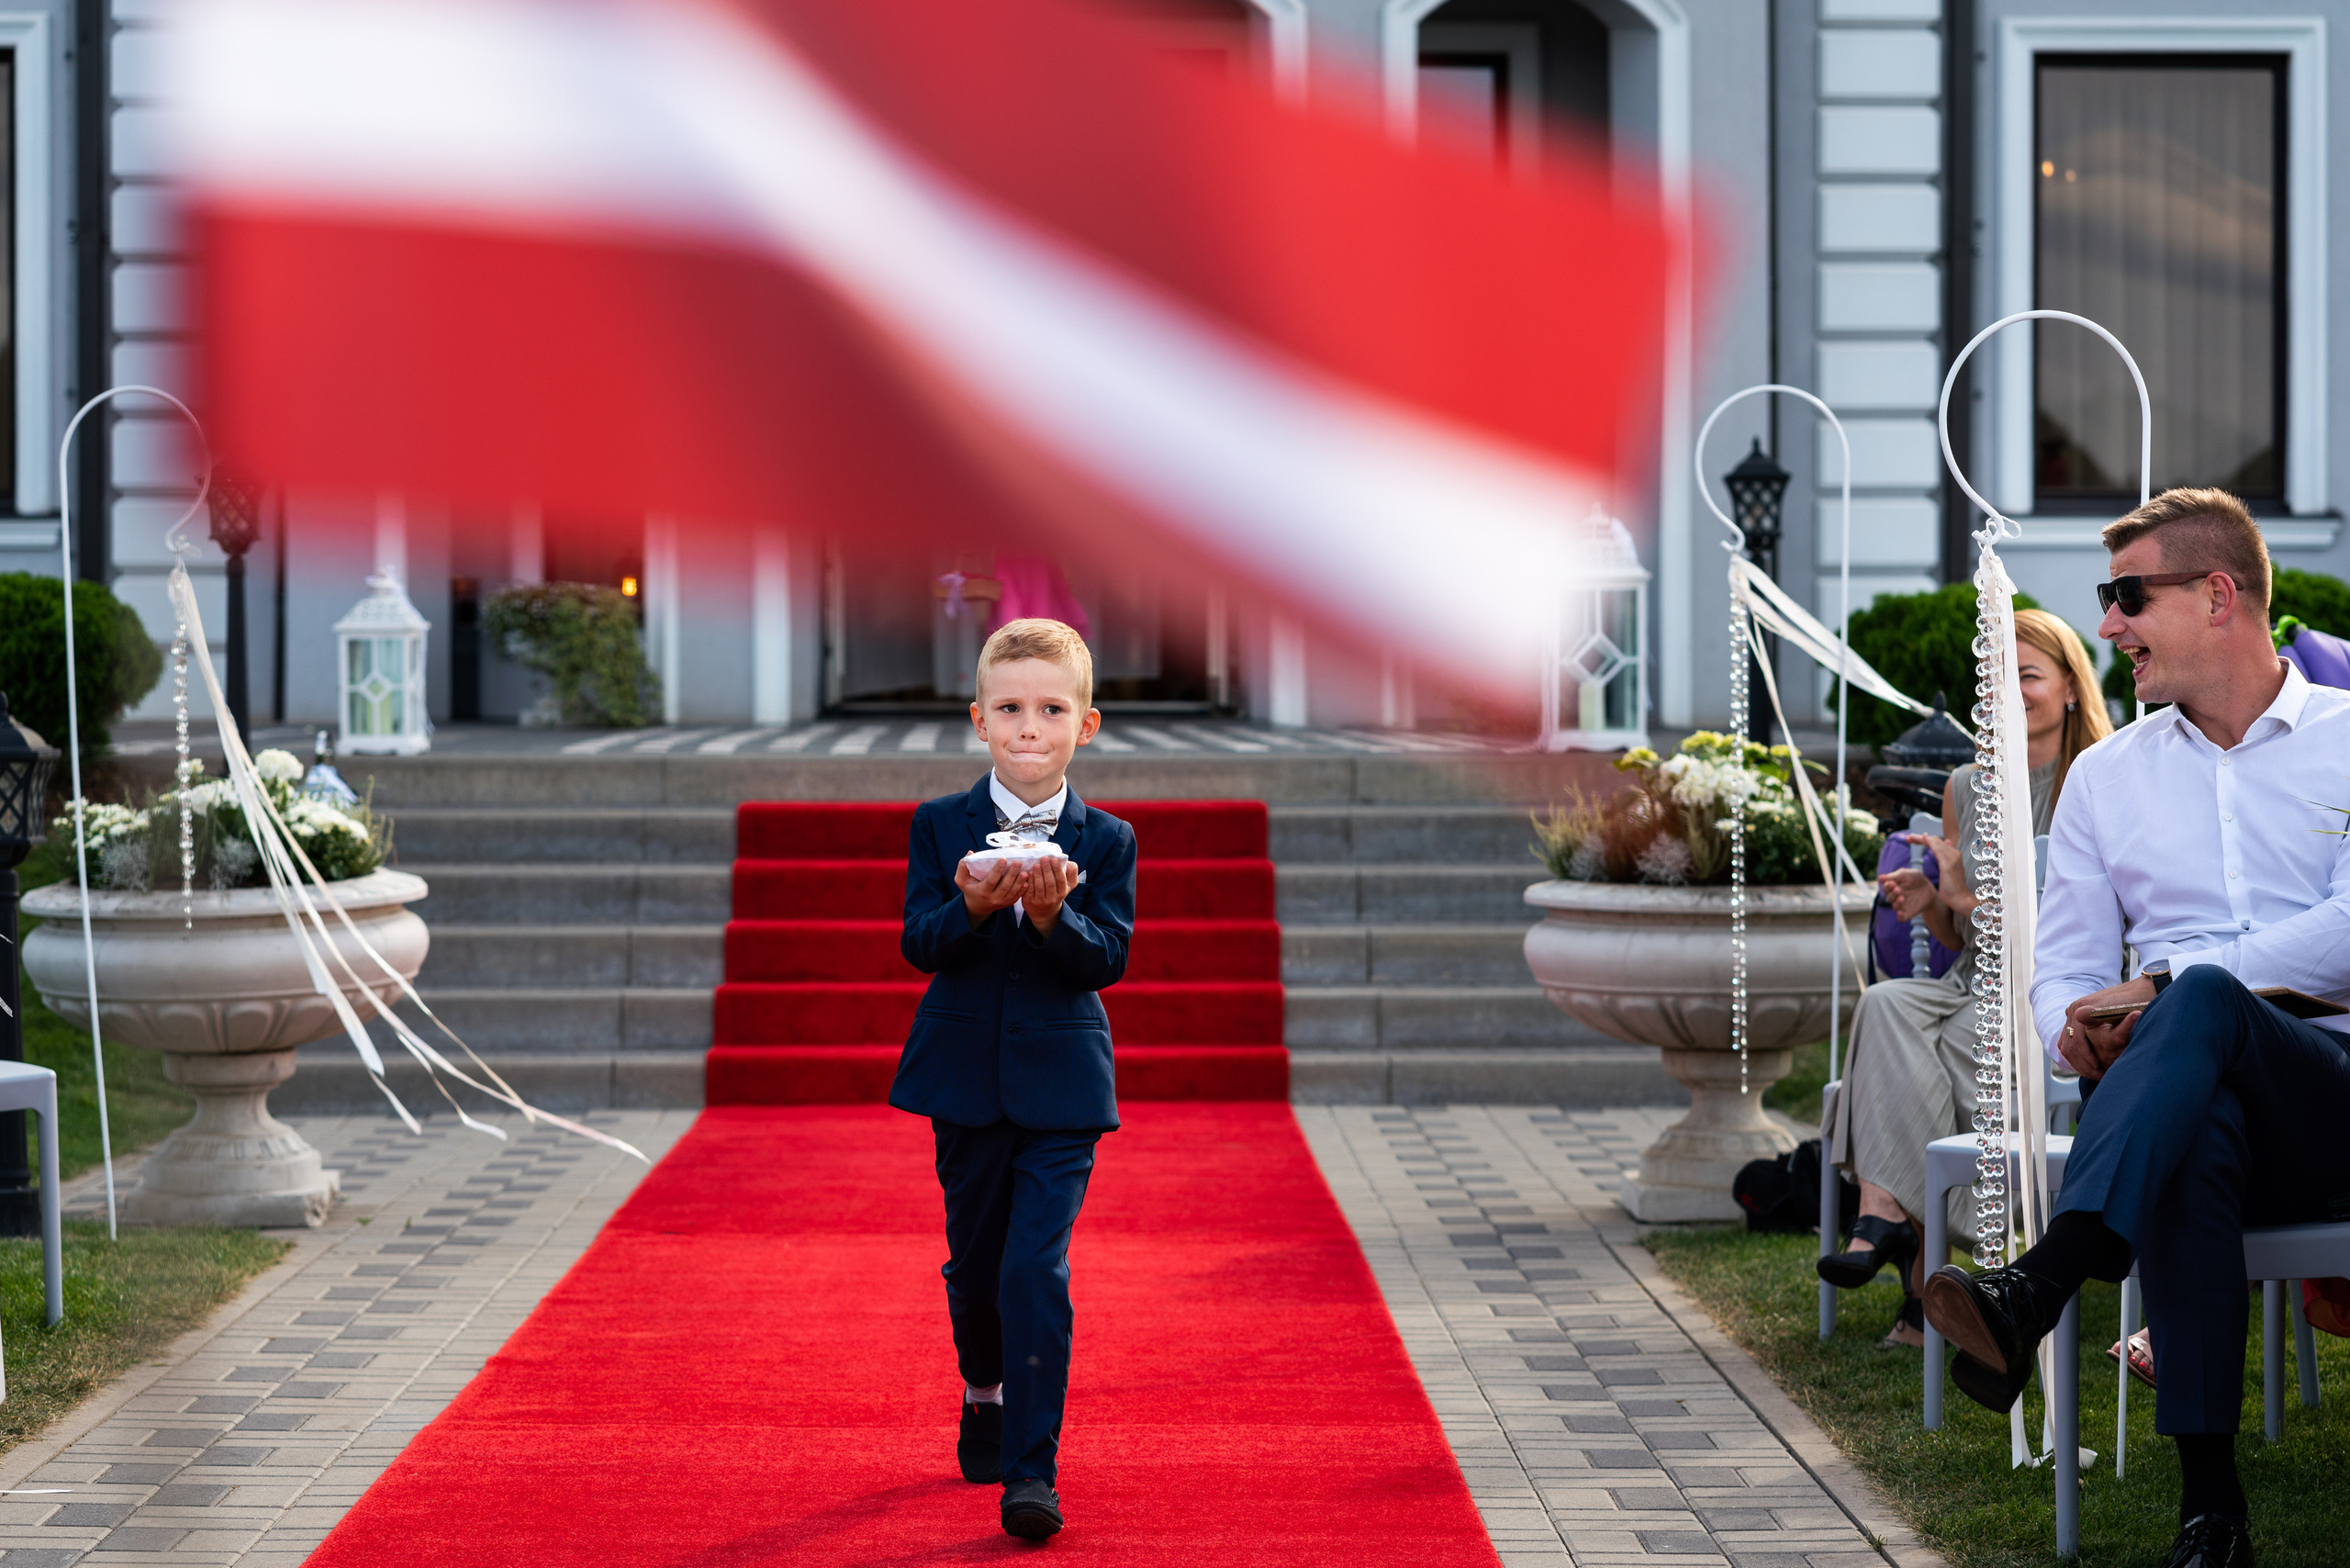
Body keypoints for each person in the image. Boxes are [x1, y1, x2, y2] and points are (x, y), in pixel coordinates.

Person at [1920, 487, 2350, 1568]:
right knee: (2192, 1125)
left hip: (2328, 1095)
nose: (2105, 625)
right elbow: (2056, 972)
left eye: (2124, 596)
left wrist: (2164, 991)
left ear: (2216, 596)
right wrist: (2073, 1033)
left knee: (2200, 994)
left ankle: (2043, 1280)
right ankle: (2211, 1513)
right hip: (2181, 1112)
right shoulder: (2107, 780)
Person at [890, 617, 1137, 1541]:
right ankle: (982, 1392)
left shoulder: (1107, 841)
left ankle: (1032, 1473)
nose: (1028, 726)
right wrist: (971, 907)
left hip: (1064, 1083)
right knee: (976, 1270)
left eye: (1050, 708)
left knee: (1036, 1268)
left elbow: (1103, 959)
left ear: (1086, 724)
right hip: (962, 1078)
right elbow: (920, 943)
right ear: (979, 720)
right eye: (1009, 708)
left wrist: (1047, 917)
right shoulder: (938, 825)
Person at [1822, 610, 2110, 1345]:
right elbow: (1961, 935)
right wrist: (1935, 905)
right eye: (1995, 680)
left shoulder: (2105, 777)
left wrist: (1961, 898)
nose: (2008, 694)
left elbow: (2086, 928)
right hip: (1969, 984)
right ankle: (1899, 1224)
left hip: (2052, 995)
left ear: (2073, 687)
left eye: (2028, 676)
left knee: (1935, 1049)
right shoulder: (1966, 786)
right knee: (1887, 1005)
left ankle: (1914, 1268)